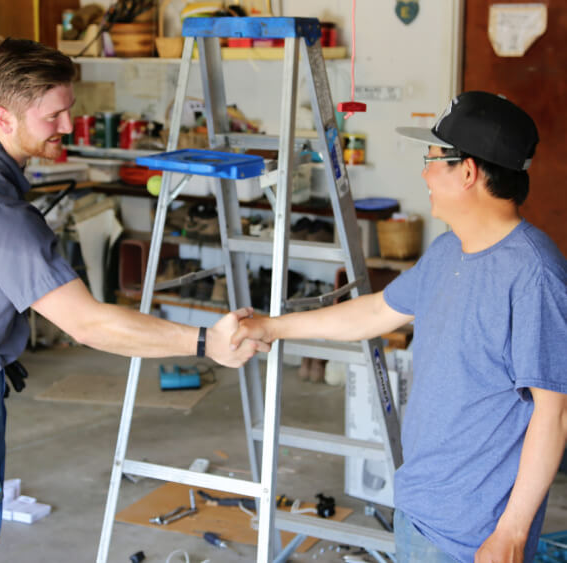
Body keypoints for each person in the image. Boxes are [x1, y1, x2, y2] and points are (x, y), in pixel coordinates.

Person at [0, 37, 267, 562]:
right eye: (52, 116)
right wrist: (205, 340)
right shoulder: (4, 220)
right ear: (4, 117)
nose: (67, 126)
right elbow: (89, 325)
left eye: (68, 110)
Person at [232, 91, 567, 563]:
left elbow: (553, 414)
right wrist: (274, 327)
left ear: (467, 171)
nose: (424, 173)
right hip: (419, 504)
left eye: (431, 159)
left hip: (477, 535)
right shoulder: (450, 251)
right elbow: (373, 313)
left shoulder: (535, 276)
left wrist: (511, 532)